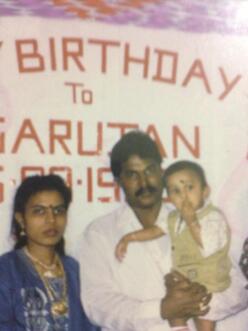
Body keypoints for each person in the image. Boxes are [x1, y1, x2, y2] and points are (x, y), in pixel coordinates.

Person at [78, 130, 213, 331]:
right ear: (118, 180)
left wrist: (207, 296)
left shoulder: (193, 221)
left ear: (162, 172)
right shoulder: (100, 234)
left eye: (150, 170)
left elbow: (236, 288)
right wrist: (161, 309)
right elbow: (97, 305)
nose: (144, 183)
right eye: (133, 174)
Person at [115, 160, 233, 331]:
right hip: (185, 277)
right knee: (174, 307)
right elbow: (155, 230)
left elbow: (208, 246)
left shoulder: (214, 217)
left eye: (190, 187)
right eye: (176, 191)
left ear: (205, 191)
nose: (184, 195)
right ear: (169, 197)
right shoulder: (173, 218)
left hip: (209, 283)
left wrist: (191, 220)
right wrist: (129, 237)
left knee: (204, 314)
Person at [0, 174, 98, 331]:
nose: (51, 219)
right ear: (21, 219)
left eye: (59, 210)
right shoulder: (6, 270)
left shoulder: (75, 270)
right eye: (39, 211)